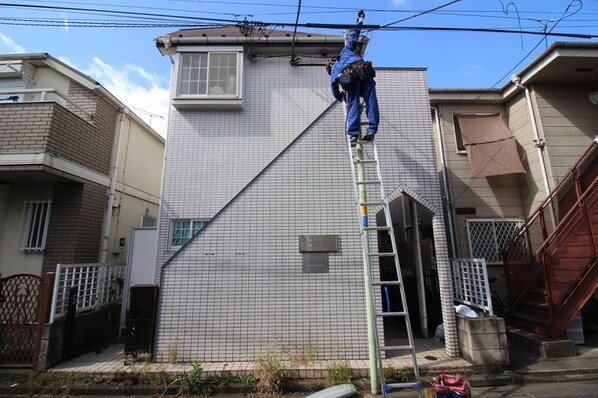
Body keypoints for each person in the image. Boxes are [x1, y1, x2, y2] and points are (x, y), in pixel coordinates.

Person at [326, 10, 379, 144]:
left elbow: (334, 88)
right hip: (364, 73)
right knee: (371, 101)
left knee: (353, 104)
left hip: (352, 80)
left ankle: (353, 134)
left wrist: (341, 97)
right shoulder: (346, 52)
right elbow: (354, 36)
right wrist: (360, 20)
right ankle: (372, 129)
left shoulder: (334, 71)